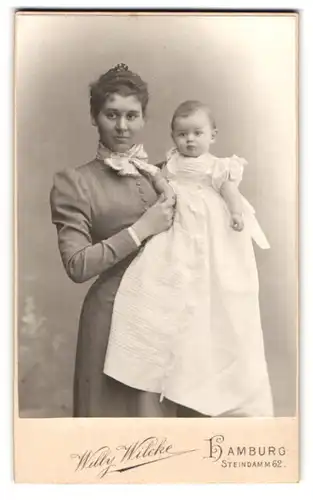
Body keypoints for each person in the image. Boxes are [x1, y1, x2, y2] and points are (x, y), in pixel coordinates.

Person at [103, 100, 274, 418]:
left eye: (197, 133)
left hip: (210, 232)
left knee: (214, 277)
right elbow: (161, 183)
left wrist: (235, 212)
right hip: (178, 230)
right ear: (173, 137)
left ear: (213, 135)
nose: (190, 140)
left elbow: (230, 192)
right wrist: (151, 178)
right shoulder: (172, 163)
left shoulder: (218, 166)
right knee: (159, 275)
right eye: (182, 135)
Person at [50, 63, 176, 417]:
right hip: (111, 321)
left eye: (132, 115)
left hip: (167, 318)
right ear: (95, 117)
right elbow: (77, 265)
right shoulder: (75, 182)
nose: (122, 126)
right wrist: (141, 229)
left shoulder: (169, 174)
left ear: (144, 118)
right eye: (112, 114)